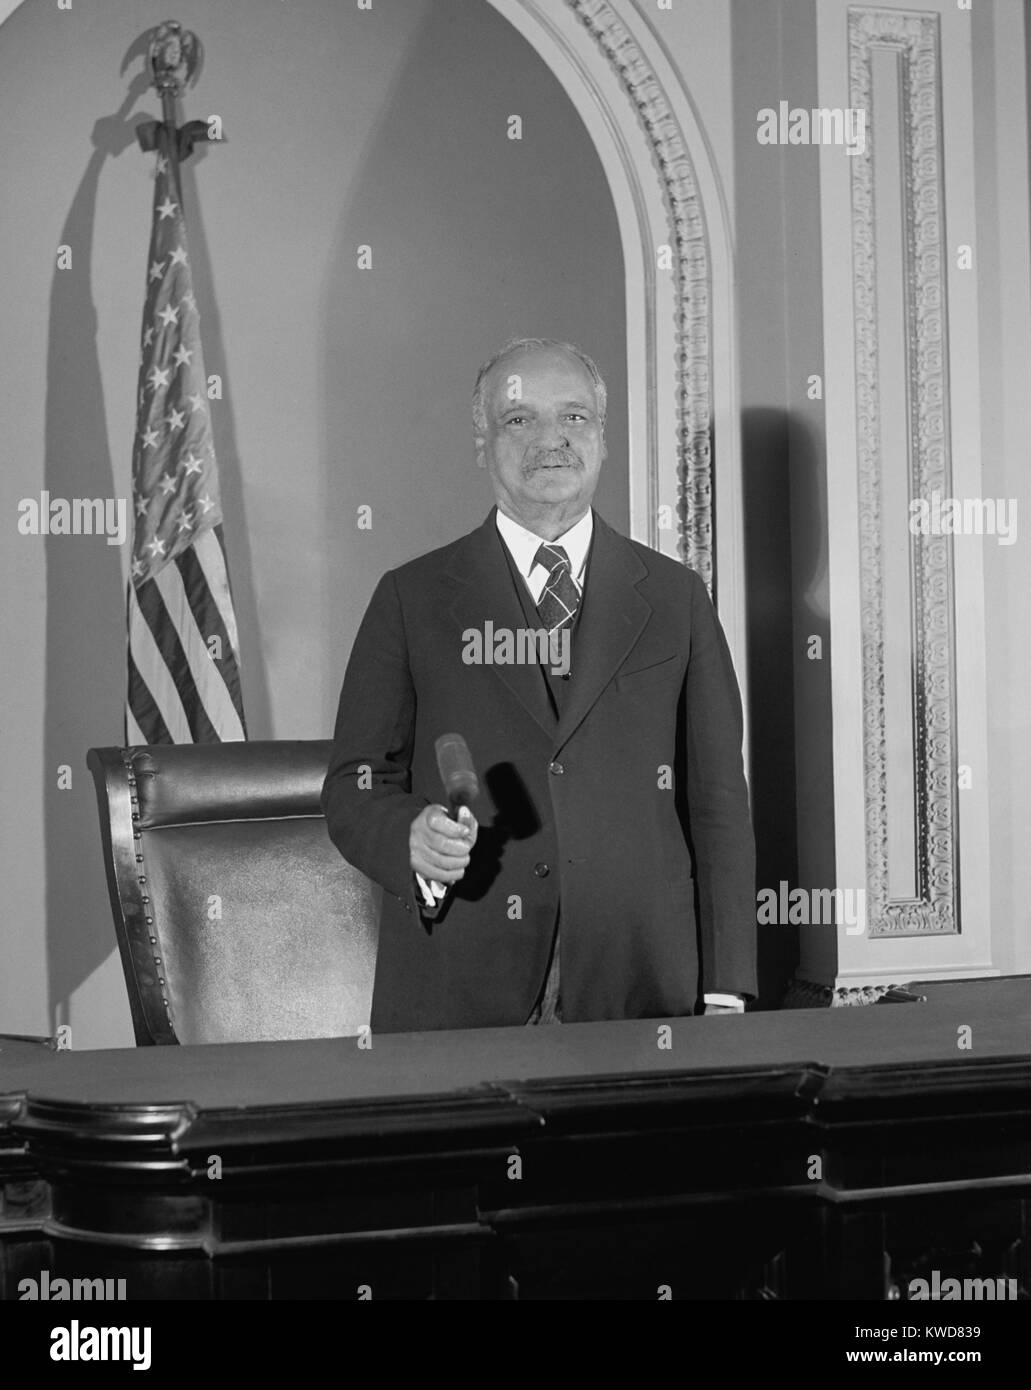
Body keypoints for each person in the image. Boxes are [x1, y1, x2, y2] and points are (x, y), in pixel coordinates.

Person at [321, 337, 756, 1031]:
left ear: (602, 439)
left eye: (574, 418)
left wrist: (728, 986)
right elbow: (353, 785)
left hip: (642, 986)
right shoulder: (412, 597)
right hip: (461, 981)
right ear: (481, 441)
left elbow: (716, 803)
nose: (551, 440)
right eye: (520, 420)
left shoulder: (675, 598)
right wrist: (408, 835)